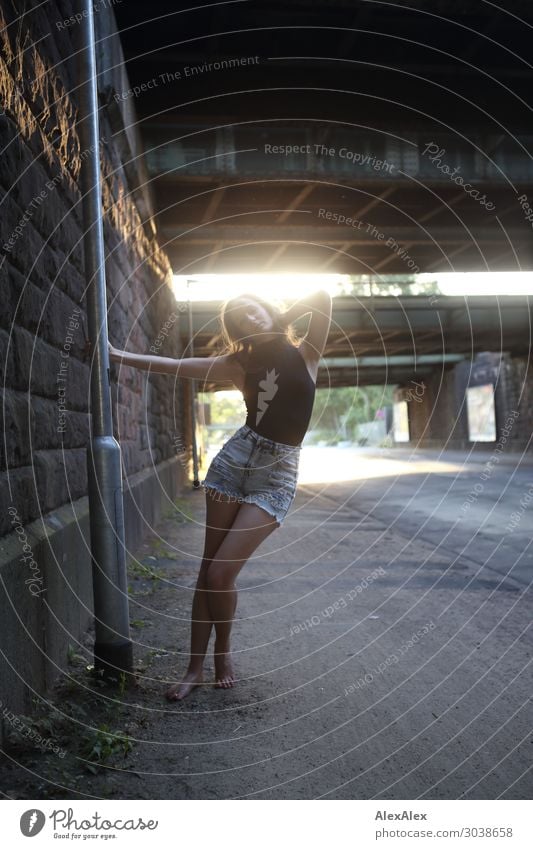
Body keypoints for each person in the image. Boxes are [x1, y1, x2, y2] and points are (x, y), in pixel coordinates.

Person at [105, 290, 332, 700]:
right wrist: (116, 354)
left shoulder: (307, 353)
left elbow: (323, 295)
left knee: (219, 574)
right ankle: (194, 668)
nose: (249, 316)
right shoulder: (239, 363)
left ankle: (222, 654)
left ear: (268, 308)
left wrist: (284, 312)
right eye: (240, 317)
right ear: (237, 331)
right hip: (233, 465)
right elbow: (173, 365)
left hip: (276, 478)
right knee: (207, 572)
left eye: (254, 307)